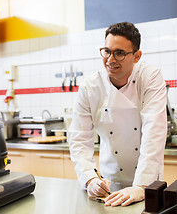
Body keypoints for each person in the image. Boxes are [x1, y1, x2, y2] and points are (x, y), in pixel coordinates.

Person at [68, 21, 167, 207]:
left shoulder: (150, 77)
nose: (110, 59)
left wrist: (141, 186)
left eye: (119, 53)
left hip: (148, 183)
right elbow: (79, 138)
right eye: (106, 51)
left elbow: (155, 131)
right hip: (109, 185)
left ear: (136, 56)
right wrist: (90, 179)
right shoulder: (90, 87)